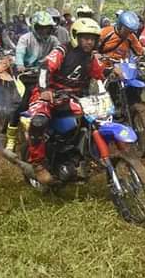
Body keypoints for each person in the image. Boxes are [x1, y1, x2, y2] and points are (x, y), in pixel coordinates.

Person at [24, 18, 105, 184]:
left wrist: (114, 72)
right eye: (85, 38)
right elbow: (45, 68)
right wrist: (45, 90)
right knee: (39, 121)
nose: (89, 42)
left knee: (98, 121)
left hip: (75, 98)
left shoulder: (91, 57)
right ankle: (38, 164)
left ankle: (86, 157)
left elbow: (99, 75)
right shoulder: (63, 50)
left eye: (92, 39)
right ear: (76, 36)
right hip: (51, 94)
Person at [4, 11, 60, 152]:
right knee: (22, 104)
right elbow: (20, 53)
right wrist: (20, 65)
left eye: (47, 27)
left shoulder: (53, 40)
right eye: (41, 27)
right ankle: (11, 140)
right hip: (27, 75)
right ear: (34, 27)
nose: (44, 30)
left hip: (46, 76)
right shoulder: (25, 38)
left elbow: (59, 52)